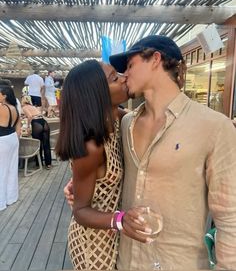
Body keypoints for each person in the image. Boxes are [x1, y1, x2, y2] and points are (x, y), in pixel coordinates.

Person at [65, 35, 236, 270]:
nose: (125, 73)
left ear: (155, 59)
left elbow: (230, 216)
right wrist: (78, 184)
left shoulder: (215, 127)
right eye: (117, 73)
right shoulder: (126, 125)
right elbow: (95, 161)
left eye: (130, 64)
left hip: (178, 263)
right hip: (123, 259)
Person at [56, 60, 150, 271]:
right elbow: (80, 211)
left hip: (117, 236)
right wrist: (120, 220)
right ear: (96, 95)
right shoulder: (91, 146)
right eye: (114, 78)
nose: (124, 77)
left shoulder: (119, 118)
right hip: (94, 246)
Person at [0, 84, 21, 211]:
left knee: (1, 171)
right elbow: (18, 129)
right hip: (12, 139)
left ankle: (1, 201)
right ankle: (11, 197)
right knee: (11, 169)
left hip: (2, 140)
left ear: (4, 96)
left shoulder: (2, 108)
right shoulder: (15, 108)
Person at [21, 95, 52, 169]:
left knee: (38, 144)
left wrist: (28, 126)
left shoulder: (24, 107)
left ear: (23, 101)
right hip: (43, 122)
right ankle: (48, 164)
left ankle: (39, 162)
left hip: (36, 124)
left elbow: (30, 116)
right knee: (46, 144)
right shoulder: (33, 107)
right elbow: (37, 114)